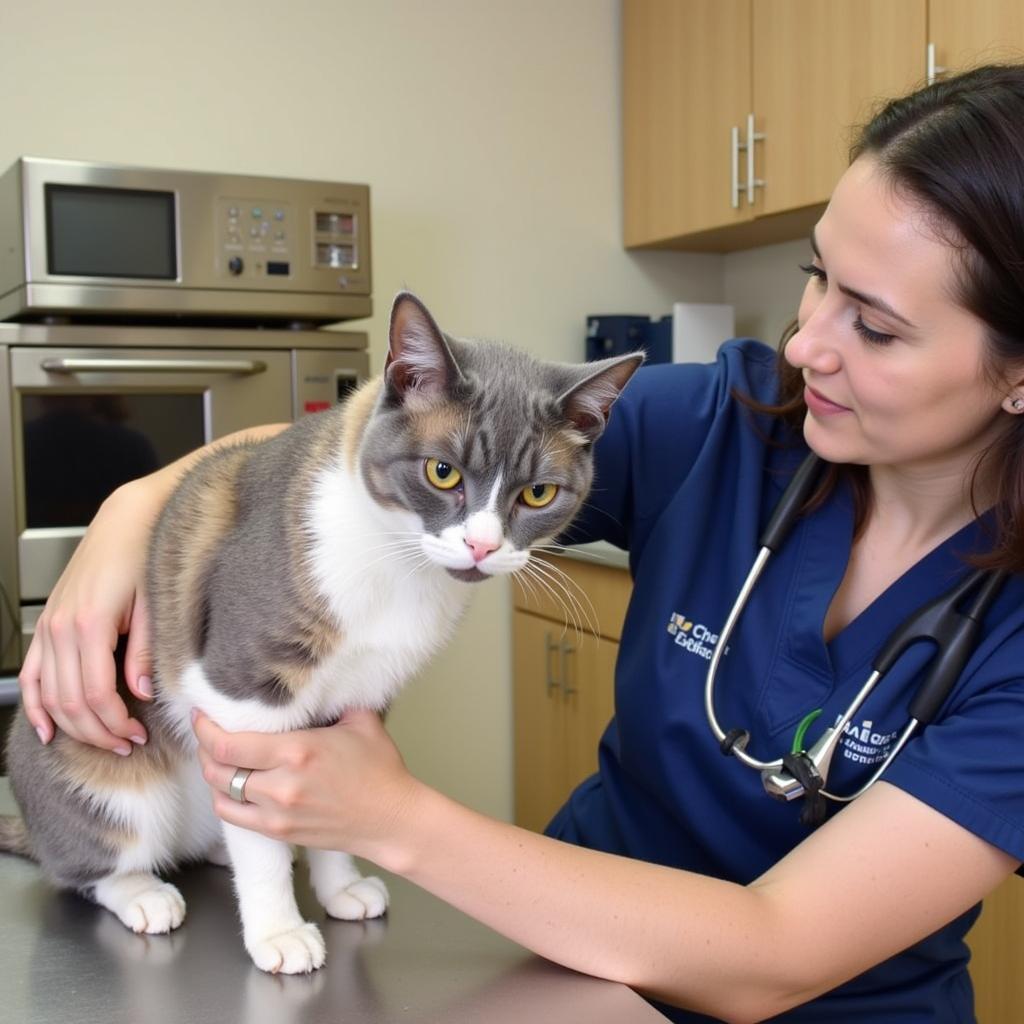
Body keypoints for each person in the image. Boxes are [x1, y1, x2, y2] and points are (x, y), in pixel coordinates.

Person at [17, 64, 1024, 1022]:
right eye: (816, 278)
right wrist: (130, 511)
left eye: (875, 327)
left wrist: (394, 819)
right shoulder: (735, 421)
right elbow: (370, 450)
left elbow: (776, 952)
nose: (808, 343)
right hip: (566, 964)